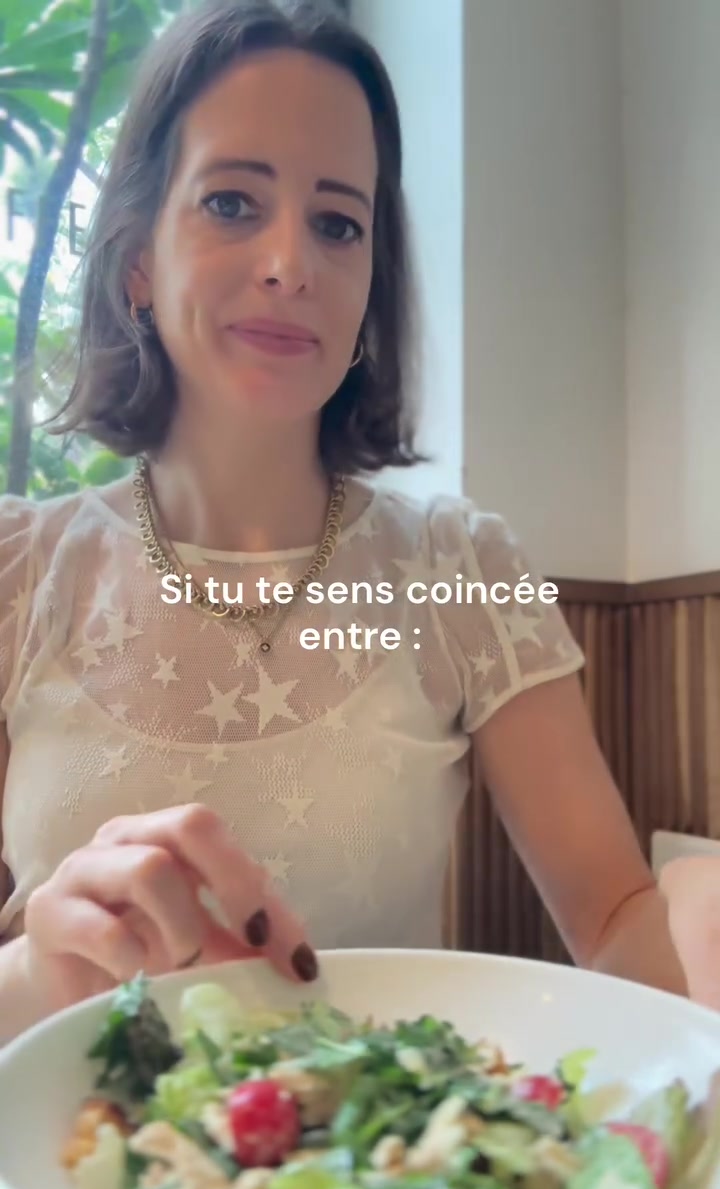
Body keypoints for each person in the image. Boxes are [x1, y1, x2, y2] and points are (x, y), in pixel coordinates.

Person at [0, 0, 699, 1045]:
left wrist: (689, 968)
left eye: (338, 222)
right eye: (232, 202)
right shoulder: (20, 571)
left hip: (373, 1144)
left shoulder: (462, 566)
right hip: (56, 1144)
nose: (291, 262)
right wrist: (35, 966)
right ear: (138, 259)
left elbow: (615, 917)